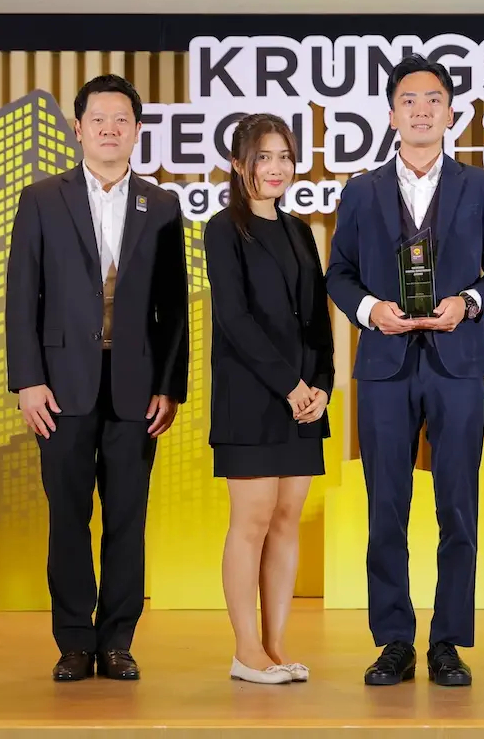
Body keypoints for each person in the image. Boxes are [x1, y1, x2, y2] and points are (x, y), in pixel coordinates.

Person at [324, 54, 484, 687]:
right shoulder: (361, 190)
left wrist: (469, 303)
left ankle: (447, 642)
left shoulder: (480, 186)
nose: (421, 110)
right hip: (384, 365)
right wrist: (369, 310)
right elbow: (338, 273)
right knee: (387, 505)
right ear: (391, 115)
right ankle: (394, 641)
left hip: (457, 362)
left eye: (433, 99)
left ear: (451, 114)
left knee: (458, 505)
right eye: (408, 100)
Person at [5, 73, 190, 682]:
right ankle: (73, 642)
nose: (110, 129)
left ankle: (116, 641)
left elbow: (173, 306)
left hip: (137, 385)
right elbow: (22, 297)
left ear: (137, 131)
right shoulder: (41, 199)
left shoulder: (161, 205)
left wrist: (171, 385)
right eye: (98, 119)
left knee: (127, 519)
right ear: (79, 128)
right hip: (60, 386)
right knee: (67, 517)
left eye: (122, 120)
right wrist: (28, 380)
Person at [202, 114, 334, 685]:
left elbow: (318, 319)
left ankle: (276, 647)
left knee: (286, 520)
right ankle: (246, 649)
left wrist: (321, 384)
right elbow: (234, 319)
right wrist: (289, 385)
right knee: (252, 520)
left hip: (304, 400)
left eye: (284, 156)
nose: (276, 167)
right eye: (263, 157)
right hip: (252, 398)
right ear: (238, 164)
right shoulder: (222, 229)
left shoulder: (300, 231)